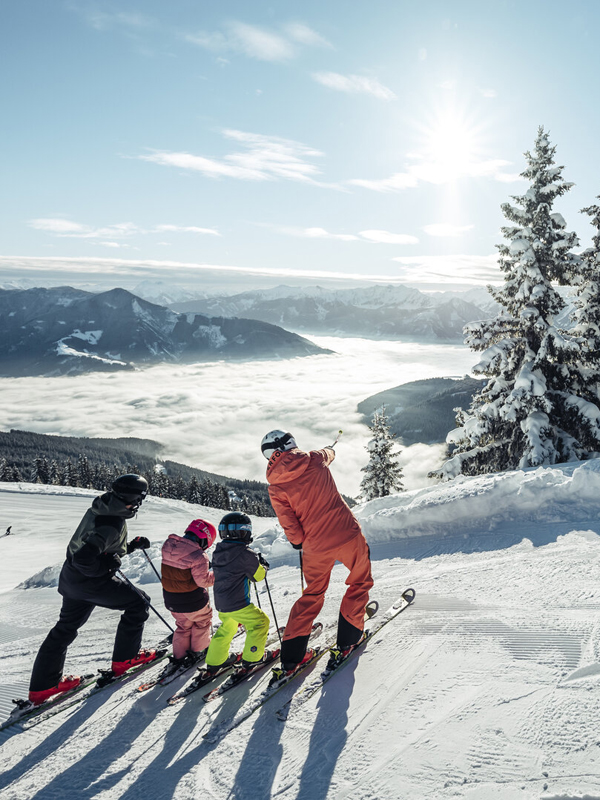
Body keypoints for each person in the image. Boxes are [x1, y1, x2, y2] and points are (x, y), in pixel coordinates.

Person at [28, 474, 157, 705]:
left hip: (71, 579)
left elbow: (98, 546)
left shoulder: (103, 507)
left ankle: (43, 686)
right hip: (89, 580)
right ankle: (125, 660)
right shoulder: (112, 522)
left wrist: (130, 546)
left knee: (65, 628)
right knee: (139, 602)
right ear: (136, 498)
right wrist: (106, 566)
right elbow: (86, 559)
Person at [262, 430, 374, 673]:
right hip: (347, 534)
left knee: (312, 595)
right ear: (291, 443)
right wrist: (330, 449)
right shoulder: (315, 458)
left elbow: (291, 526)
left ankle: (292, 657)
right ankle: (349, 638)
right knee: (360, 581)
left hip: (314, 547)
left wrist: (298, 541)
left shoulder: (275, 487)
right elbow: (329, 453)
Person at [204, 512, 272, 678]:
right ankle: (252, 659)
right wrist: (262, 565)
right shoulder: (245, 554)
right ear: (244, 532)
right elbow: (258, 576)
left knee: (227, 628)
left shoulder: (218, 552)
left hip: (222, 603)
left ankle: (214, 662)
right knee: (260, 622)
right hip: (238, 603)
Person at [161, 518, 216, 665]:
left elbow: (181, 564)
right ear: (205, 539)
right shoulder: (199, 556)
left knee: (183, 625)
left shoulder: (168, 546)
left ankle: (179, 656)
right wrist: (215, 574)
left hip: (171, 599)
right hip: (193, 601)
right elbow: (203, 581)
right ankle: (199, 651)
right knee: (202, 622)